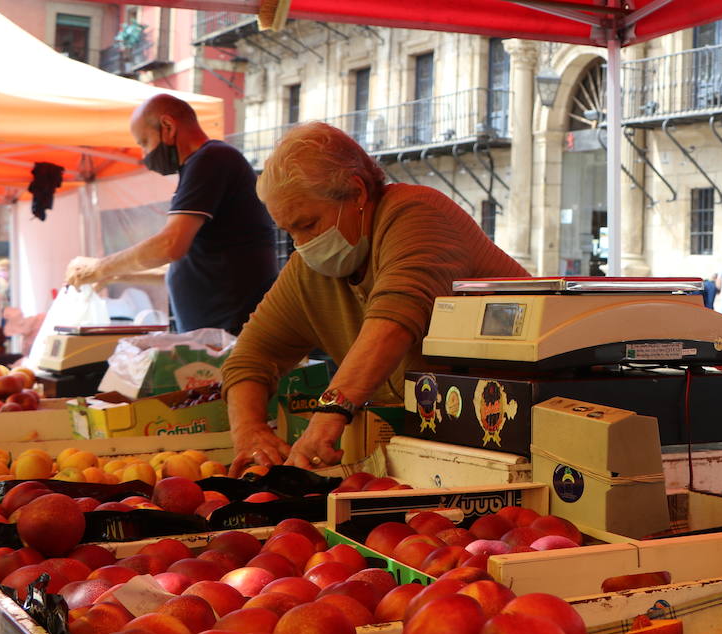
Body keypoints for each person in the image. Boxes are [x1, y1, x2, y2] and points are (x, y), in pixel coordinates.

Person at [221, 122, 528, 472]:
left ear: (357, 193)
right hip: (432, 453)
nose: (301, 244)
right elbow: (250, 357)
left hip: (511, 438)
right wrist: (250, 431)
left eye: (307, 225)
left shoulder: (417, 214)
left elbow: (395, 319)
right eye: (289, 231)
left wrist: (329, 415)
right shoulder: (311, 266)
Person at [65, 94, 278, 335]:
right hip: (217, 330)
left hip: (231, 329)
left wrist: (99, 267)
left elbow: (169, 245)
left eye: (144, 142)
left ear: (167, 126)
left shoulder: (211, 159)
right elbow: (187, 261)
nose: (145, 155)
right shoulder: (202, 165)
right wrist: (115, 273)